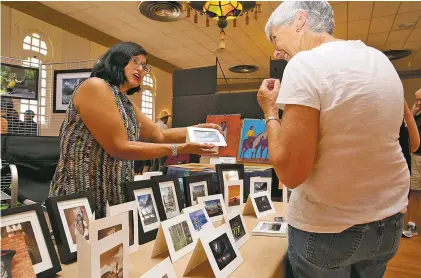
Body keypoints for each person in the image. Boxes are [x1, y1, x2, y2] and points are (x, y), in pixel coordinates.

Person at [258, 2, 409, 277]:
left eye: (276, 37)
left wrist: (269, 110)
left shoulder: (305, 63)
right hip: (389, 221)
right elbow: (411, 141)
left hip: (329, 231)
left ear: (300, 20)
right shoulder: (379, 59)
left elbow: (290, 173)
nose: (276, 51)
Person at [49, 42, 220, 217]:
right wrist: (179, 149)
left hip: (112, 196)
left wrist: (197, 129)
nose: (141, 69)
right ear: (117, 59)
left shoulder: (124, 102)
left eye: (145, 66)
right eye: (135, 61)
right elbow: (119, 147)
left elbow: (158, 134)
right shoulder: (95, 86)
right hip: (81, 196)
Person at [403, 88, 421, 238]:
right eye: (417, 100)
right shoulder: (416, 114)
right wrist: (412, 113)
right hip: (416, 157)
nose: (418, 103)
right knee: (415, 190)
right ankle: (412, 224)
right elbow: (406, 129)